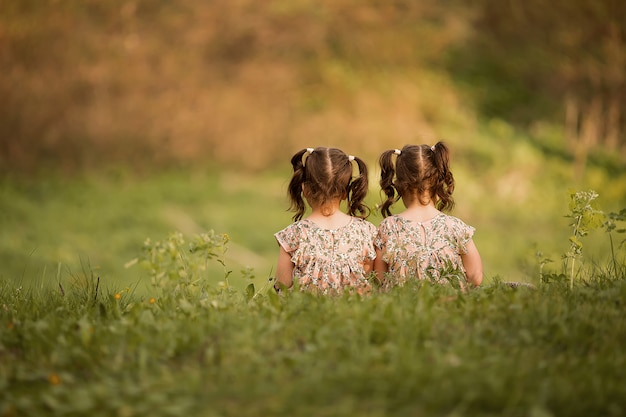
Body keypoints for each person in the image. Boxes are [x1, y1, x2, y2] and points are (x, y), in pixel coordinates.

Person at [374, 142, 483, 289]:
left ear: (399, 185)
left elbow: (379, 279)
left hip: (402, 308)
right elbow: (476, 276)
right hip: (446, 306)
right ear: (438, 180)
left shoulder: (388, 227)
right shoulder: (455, 226)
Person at [274, 147, 377, 295]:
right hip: (354, 314)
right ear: (344, 193)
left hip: (308, 313)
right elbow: (370, 278)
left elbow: (282, 285)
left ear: (305, 189)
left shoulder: (293, 234)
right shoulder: (366, 231)